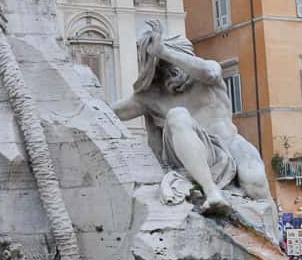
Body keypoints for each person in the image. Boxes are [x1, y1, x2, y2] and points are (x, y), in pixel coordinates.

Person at [112, 20, 270, 214]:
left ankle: (270, 234)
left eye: (174, 62)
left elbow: (209, 73)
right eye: (163, 66)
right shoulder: (151, 96)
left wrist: (164, 52)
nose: (172, 71)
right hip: (190, 157)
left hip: (229, 144)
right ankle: (211, 192)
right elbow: (112, 112)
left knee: (256, 182)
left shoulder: (208, 74)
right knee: (177, 115)